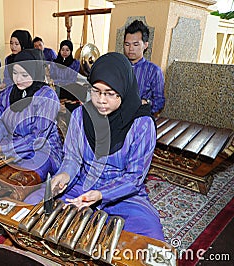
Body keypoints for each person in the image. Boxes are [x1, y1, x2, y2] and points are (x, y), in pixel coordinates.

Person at [26, 52, 164, 241]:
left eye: (109, 93)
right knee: (31, 205)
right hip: (83, 186)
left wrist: (101, 194)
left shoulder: (142, 124)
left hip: (123, 194)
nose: (101, 100)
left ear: (124, 90)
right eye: (96, 91)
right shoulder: (80, 116)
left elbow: (134, 177)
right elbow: (72, 158)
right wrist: (64, 175)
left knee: (149, 235)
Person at [0, 49, 63, 181]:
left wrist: (7, 149)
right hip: (11, 144)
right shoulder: (9, 92)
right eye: (15, 73)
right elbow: (1, 120)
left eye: (24, 75)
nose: (18, 79)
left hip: (42, 151)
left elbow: (38, 138)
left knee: (22, 180)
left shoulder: (47, 96)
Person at [124, 20, 165, 115]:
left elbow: (160, 102)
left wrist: (146, 103)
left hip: (140, 118)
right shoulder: (119, 66)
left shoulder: (154, 71)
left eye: (135, 44)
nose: (130, 48)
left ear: (145, 45)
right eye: (127, 44)